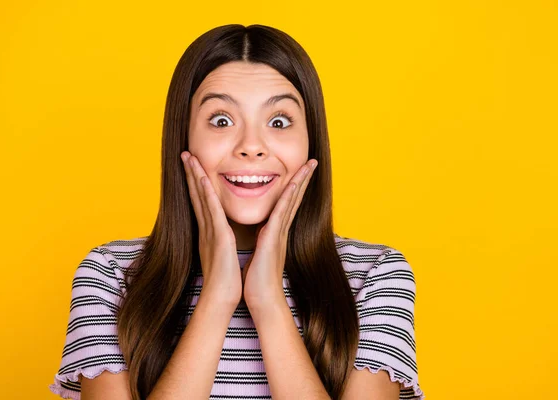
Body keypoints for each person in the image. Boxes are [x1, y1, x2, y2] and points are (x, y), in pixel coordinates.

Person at [49, 24, 424, 400]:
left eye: (278, 121)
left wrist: (268, 301)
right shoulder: (111, 274)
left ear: (311, 141)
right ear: (183, 137)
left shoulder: (374, 275)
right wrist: (217, 297)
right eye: (221, 120)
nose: (251, 146)